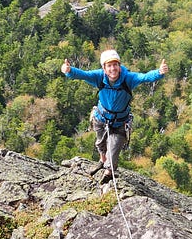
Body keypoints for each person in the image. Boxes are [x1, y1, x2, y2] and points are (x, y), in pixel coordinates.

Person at [61, 49, 169, 182]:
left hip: (120, 122)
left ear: (119, 66)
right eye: (109, 65)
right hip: (101, 118)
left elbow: (144, 77)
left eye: (115, 65)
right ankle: (102, 160)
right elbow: (83, 75)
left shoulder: (128, 78)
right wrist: (69, 71)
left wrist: (159, 73)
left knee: (113, 149)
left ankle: (109, 172)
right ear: (104, 68)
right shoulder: (99, 77)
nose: (113, 69)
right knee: (100, 144)